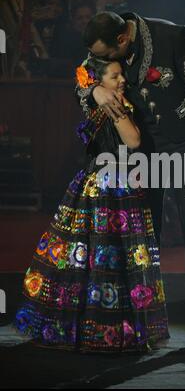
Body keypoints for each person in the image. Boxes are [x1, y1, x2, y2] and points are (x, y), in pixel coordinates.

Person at [75, 11, 185, 351]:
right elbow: (84, 74)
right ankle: (144, 323)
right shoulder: (105, 39)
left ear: (122, 40)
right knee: (144, 234)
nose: (99, 60)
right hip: (142, 147)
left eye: (106, 55)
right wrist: (94, 91)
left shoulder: (176, 37)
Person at [13, 58, 169, 353]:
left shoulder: (98, 100)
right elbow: (133, 140)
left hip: (98, 181)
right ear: (100, 82)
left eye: (122, 73)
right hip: (112, 187)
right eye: (114, 76)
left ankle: (90, 326)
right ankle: (104, 328)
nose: (122, 79)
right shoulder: (110, 104)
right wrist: (121, 110)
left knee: (93, 258)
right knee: (106, 257)